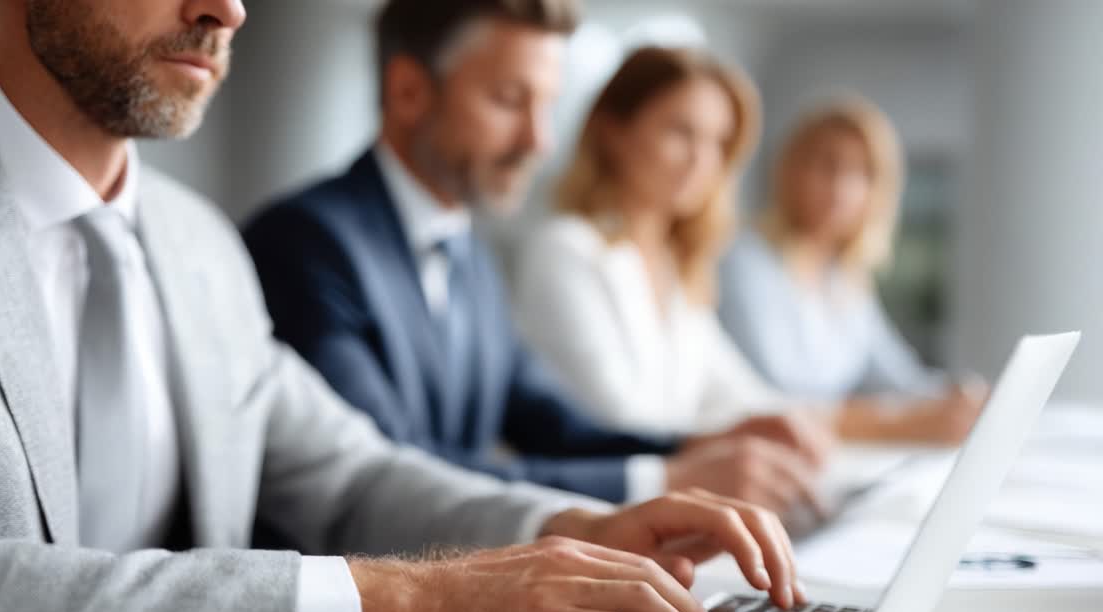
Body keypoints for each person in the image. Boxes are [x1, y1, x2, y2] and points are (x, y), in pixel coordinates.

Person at [0, 1, 811, 612]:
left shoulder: (200, 244)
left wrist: (584, 536)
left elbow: (346, 474)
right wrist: (415, 600)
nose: (226, 11)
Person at [242, 0, 828, 512]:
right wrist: (660, 479)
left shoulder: (469, 252)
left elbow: (550, 421)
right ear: (408, 92)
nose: (539, 141)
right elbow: (390, 474)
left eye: (545, 105)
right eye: (509, 99)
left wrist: (695, 449)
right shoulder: (305, 244)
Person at [515, 46, 805, 447]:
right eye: (680, 132)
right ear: (613, 131)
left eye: (719, 142)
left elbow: (741, 395)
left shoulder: (679, 266)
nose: (701, 160)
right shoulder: (566, 250)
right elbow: (617, 421)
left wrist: (797, 429)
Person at [718, 98, 986, 445]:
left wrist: (959, 396)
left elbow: (897, 378)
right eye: (827, 165)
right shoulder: (742, 260)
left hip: (833, 451)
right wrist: (894, 425)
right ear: (789, 170)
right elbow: (775, 398)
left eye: (863, 173)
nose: (841, 188)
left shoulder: (845, 279)